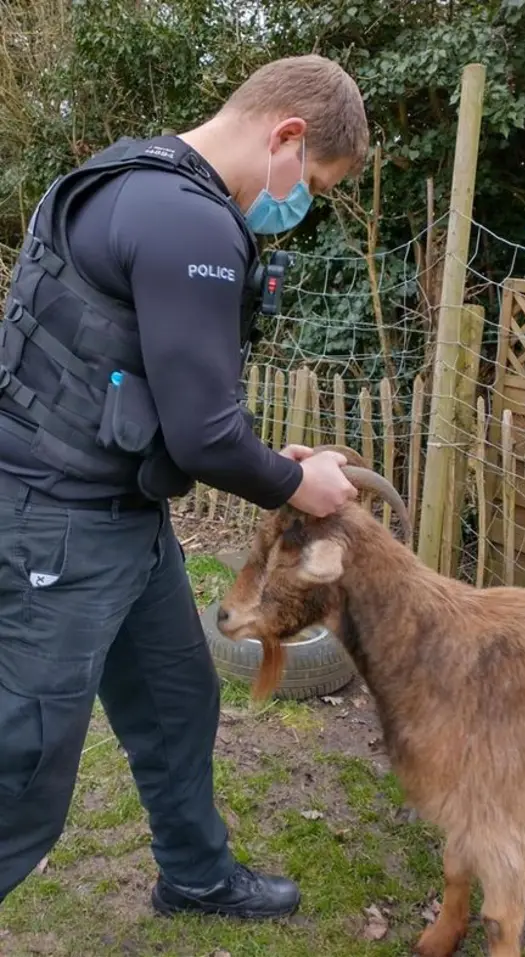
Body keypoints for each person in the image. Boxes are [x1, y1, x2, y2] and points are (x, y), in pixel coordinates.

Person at [0, 54, 369, 919]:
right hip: (57, 525)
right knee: (26, 769)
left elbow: (160, 396)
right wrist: (298, 482)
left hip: (120, 512)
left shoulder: (131, 181)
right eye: (312, 181)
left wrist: (270, 453)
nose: (298, 204)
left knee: (175, 694)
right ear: (286, 135)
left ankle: (195, 875)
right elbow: (205, 437)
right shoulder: (190, 221)